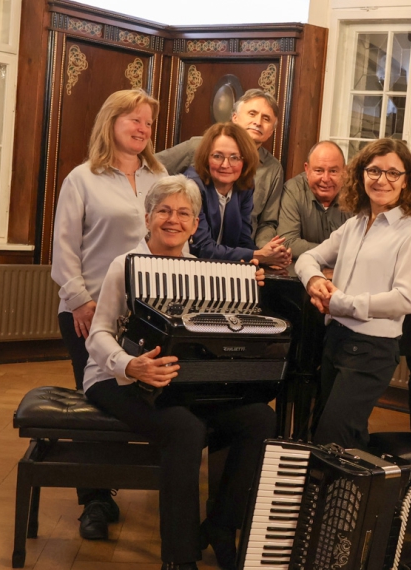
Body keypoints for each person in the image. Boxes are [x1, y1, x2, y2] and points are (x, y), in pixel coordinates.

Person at [84, 175, 278, 570]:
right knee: (186, 429)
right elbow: (98, 334)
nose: (173, 220)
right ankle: (179, 558)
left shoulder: (206, 272)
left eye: (183, 213)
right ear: (147, 218)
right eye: (164, 211)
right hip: (116, 380)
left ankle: (221, 526)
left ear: (194, 225)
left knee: (260, 419)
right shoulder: (124, 265)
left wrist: (246, 286)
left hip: (184, 384)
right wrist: (130, 365)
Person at [50, 89, 166, 541]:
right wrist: (80, 300)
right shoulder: (82, 179)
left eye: (148, 122)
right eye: (133, 119)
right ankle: (95, 499)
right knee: (96, 398)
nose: (142, 128)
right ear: (110, 122)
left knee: (137, 397)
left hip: (146, 314)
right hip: (91, 309)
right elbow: (63, 248)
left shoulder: (161, 177)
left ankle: (152, 474)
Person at [295, 138, 411, 450]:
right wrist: (314, 280)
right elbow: (308, 258)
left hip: (372, 350)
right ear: (361, 175)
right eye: (374, 171)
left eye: (393, 173)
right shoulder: (355, 224)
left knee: (332, 437)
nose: (382, 180)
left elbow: (406, 299)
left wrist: (342, 303)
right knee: (333, 436)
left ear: (406, 181)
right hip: (335, 340)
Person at [157, 89, 284, 246]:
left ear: (272, 131)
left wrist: (263, 251)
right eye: (252, 113)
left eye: (266, 118)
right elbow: (152, 168)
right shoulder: (199, 146)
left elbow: (267, 222)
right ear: (235, 117)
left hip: (241, 249)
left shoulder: (273, 168)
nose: (258, 122)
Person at [184, 122, 291, 267]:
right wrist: (259, 256)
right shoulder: (192, 186)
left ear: (245, 160)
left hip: (225, 268)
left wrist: (270, 256)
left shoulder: (245, 186)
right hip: (191, 267)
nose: (225, 165)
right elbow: (202, 248)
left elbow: (243, 241)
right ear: (205, 157)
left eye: (234, 157)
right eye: (217, 156)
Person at [279, 140, 350, 259]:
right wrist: (337, 252)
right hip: (300, 268)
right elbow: (288, 243)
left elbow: (363, 245)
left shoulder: (354, 194)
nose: (326, 179)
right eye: (319, 170)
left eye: (333, 171)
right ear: (307, 169)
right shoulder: (293, 190)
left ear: (344, 171)